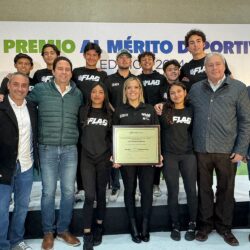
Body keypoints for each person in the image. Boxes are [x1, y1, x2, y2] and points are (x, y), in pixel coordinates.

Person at [188, 52, 250, 246]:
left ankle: (224, 227)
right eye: (210, 65)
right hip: (201, 149)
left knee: (226, 190)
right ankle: (205, 226)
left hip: (227, 151)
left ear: (224, 66)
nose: (214, 68)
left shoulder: (238, 88)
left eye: (218, 64)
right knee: (204, 190)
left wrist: (241, 149)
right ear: (204, 68)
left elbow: (246, 121)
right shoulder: (196, 88)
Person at [27, 56, 83, 250]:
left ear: (71, 72)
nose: (64, 72)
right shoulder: (41, 90)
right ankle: (48, 232)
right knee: (48, 192)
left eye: (68, 69)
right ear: (53, 71)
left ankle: (63, 230)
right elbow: (20, 100)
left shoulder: (77, 93)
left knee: (68, 192)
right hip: (47, 147)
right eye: (60, 68)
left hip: (70, 148)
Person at [113, 76, 160, 243]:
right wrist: (115, 155)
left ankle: (145, 226)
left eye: (136, 87)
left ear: (140, 90)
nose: (132, 90)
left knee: (147, 191)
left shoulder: (149, 109)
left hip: (147, 159)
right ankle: (133, 226)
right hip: (127, 160)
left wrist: (158, 154)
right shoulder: (119, 110)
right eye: (129, 88)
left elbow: (156, 134)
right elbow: (114, 136)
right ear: (125, 91)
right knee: (130, 190)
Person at [0, 72, 38, 250]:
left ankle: (16, 241)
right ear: (8, 85)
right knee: (1, 210)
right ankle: (3, 245)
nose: (20, 89)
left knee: (22, 207)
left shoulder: (32, 107)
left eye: (24, 85)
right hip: (4, 167)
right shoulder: (1, 106)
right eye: (16, 84)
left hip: (26, 165)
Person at [159, 82, 197, 241]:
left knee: (191, 190)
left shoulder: (191, 110)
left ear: (185, 92)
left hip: (188, 155)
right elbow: (158, 133)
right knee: (172, 191)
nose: (176, 95)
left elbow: (194, 131)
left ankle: (192, 223)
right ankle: (175, 225)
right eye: (172, 93)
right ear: (169, 95)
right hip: (170, 156)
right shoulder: (164, 110)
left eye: (179, 91)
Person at [72, 42, 108, 202]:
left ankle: (108, 186)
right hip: (81, 114)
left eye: (95, 55)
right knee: (81, 150)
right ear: (84, 55)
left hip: (98, 114)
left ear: (99, 57)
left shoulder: (103, 74)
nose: (92, 57)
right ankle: (81, 187)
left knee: (103, 149)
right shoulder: (76, 72)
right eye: (89, 54)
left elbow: (106, 94)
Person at [79, 82, 112, 250]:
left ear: (105, 95)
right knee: (89, 196)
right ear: (90, 94)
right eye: (94, 92)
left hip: (104, 159)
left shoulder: (110, 113)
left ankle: (98, 226)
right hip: (86, 159)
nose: (97, 94)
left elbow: (113, 137)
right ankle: (87, 233)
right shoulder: (83, 111)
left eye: (101, 91)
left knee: (100, 195)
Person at [105, 49, 135, 202]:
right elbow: (106, 99)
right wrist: (116, 113)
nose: (124, 60)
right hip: (115, 122)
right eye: (121, 58)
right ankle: (115, 186)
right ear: (117, 61)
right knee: (115, 154)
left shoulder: (135, 79)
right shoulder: (109, 79)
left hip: (133, 122)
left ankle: (133, 188)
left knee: (133, 152)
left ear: (131, 61)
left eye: (127, 58)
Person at [138, 51, 167, 198]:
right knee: (141, 150)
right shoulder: (136, 79)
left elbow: (165, 98)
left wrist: (161, 104)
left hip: (157, 120)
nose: (147, 61)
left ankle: (155, 183)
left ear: (154, 61)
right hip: (141, 120)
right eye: (143, 59)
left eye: (149, 59)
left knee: (156, 151)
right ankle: (142, 183)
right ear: (139, 63)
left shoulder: (161, 78)